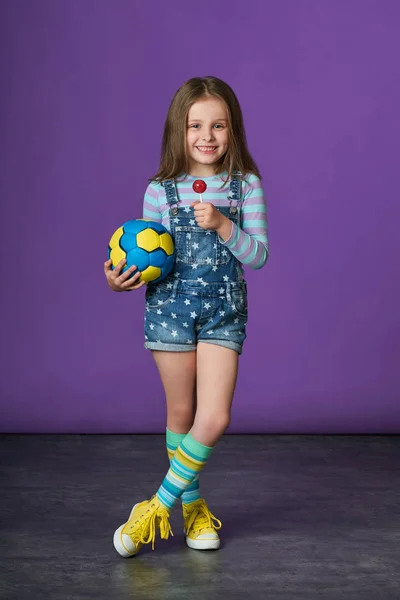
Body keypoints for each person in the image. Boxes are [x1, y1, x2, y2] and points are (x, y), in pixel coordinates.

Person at [104, 76, 269, 557]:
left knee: (213, 416)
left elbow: (258, 256)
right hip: (170, 312)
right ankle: (194, 509)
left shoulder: (247, 186)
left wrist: (223, 224)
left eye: (219, 125)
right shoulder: (159, 191)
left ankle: (155, 508)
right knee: (181, 413)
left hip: (223, 312)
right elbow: (148, 257)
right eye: (196, 125)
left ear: (232, 130)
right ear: (179, 130)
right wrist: (120, 278)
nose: (207, 136)